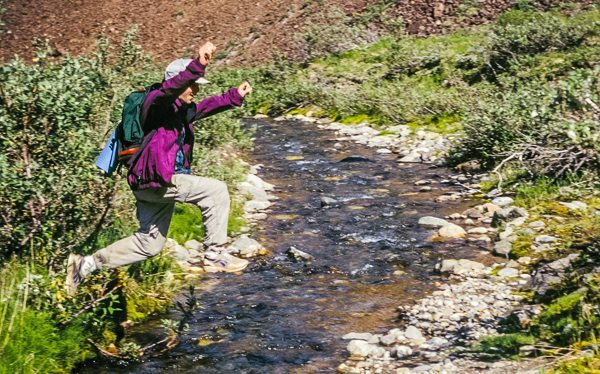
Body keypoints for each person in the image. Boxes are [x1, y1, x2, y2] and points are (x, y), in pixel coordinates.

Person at [66, 42, 252, 295]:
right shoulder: (155, 104)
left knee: (149, 244)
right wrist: (198, 65)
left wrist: (234, 96)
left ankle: (84, 265)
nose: (195, 90)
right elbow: (168, 92)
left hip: (150, 184)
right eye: (192, 85)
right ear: (177, 81)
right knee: (216, 191)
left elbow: (206, 107)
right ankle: (215, 252)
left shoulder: (181, 111)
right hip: (156, 180)